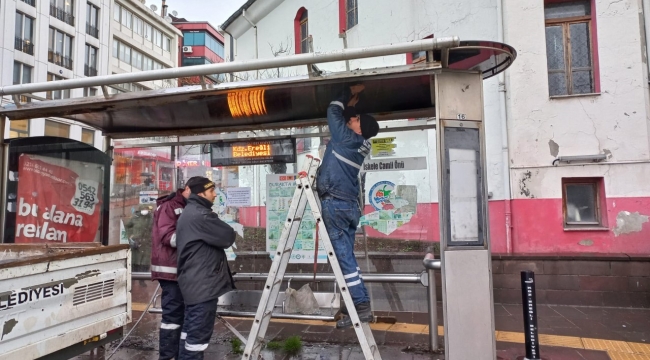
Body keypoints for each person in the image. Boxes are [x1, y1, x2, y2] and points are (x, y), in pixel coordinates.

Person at [316, 84, 379, 329]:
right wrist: (352, 105)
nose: (351, 118)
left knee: (344, 259)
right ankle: (353, 306)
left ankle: (361, 307)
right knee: (347, 257)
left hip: (336, 203)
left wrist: (345, 93)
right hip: (348, 205)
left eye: (355, 119)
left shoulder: (347, 138)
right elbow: (343, 118)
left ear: (359, 128)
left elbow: (333, 112)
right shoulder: (358, 142)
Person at [176, 177, 236, 360]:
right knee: (196, 341)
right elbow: (228, 236)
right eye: (211, 191)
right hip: (202, 287)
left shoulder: (191, 212)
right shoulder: (200, 215)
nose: (215, 194)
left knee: (189, 335)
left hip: (194, 284)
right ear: (201, 193)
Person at [151, 177, 202, 360]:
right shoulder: (169, 207)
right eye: (198, 193)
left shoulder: (188, 206)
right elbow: (168, 237)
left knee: (183, 317)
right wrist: (198, 238)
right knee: (172, 318)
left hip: (183, 270)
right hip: (171, 271)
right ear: (187, 189)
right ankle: (168, 356)